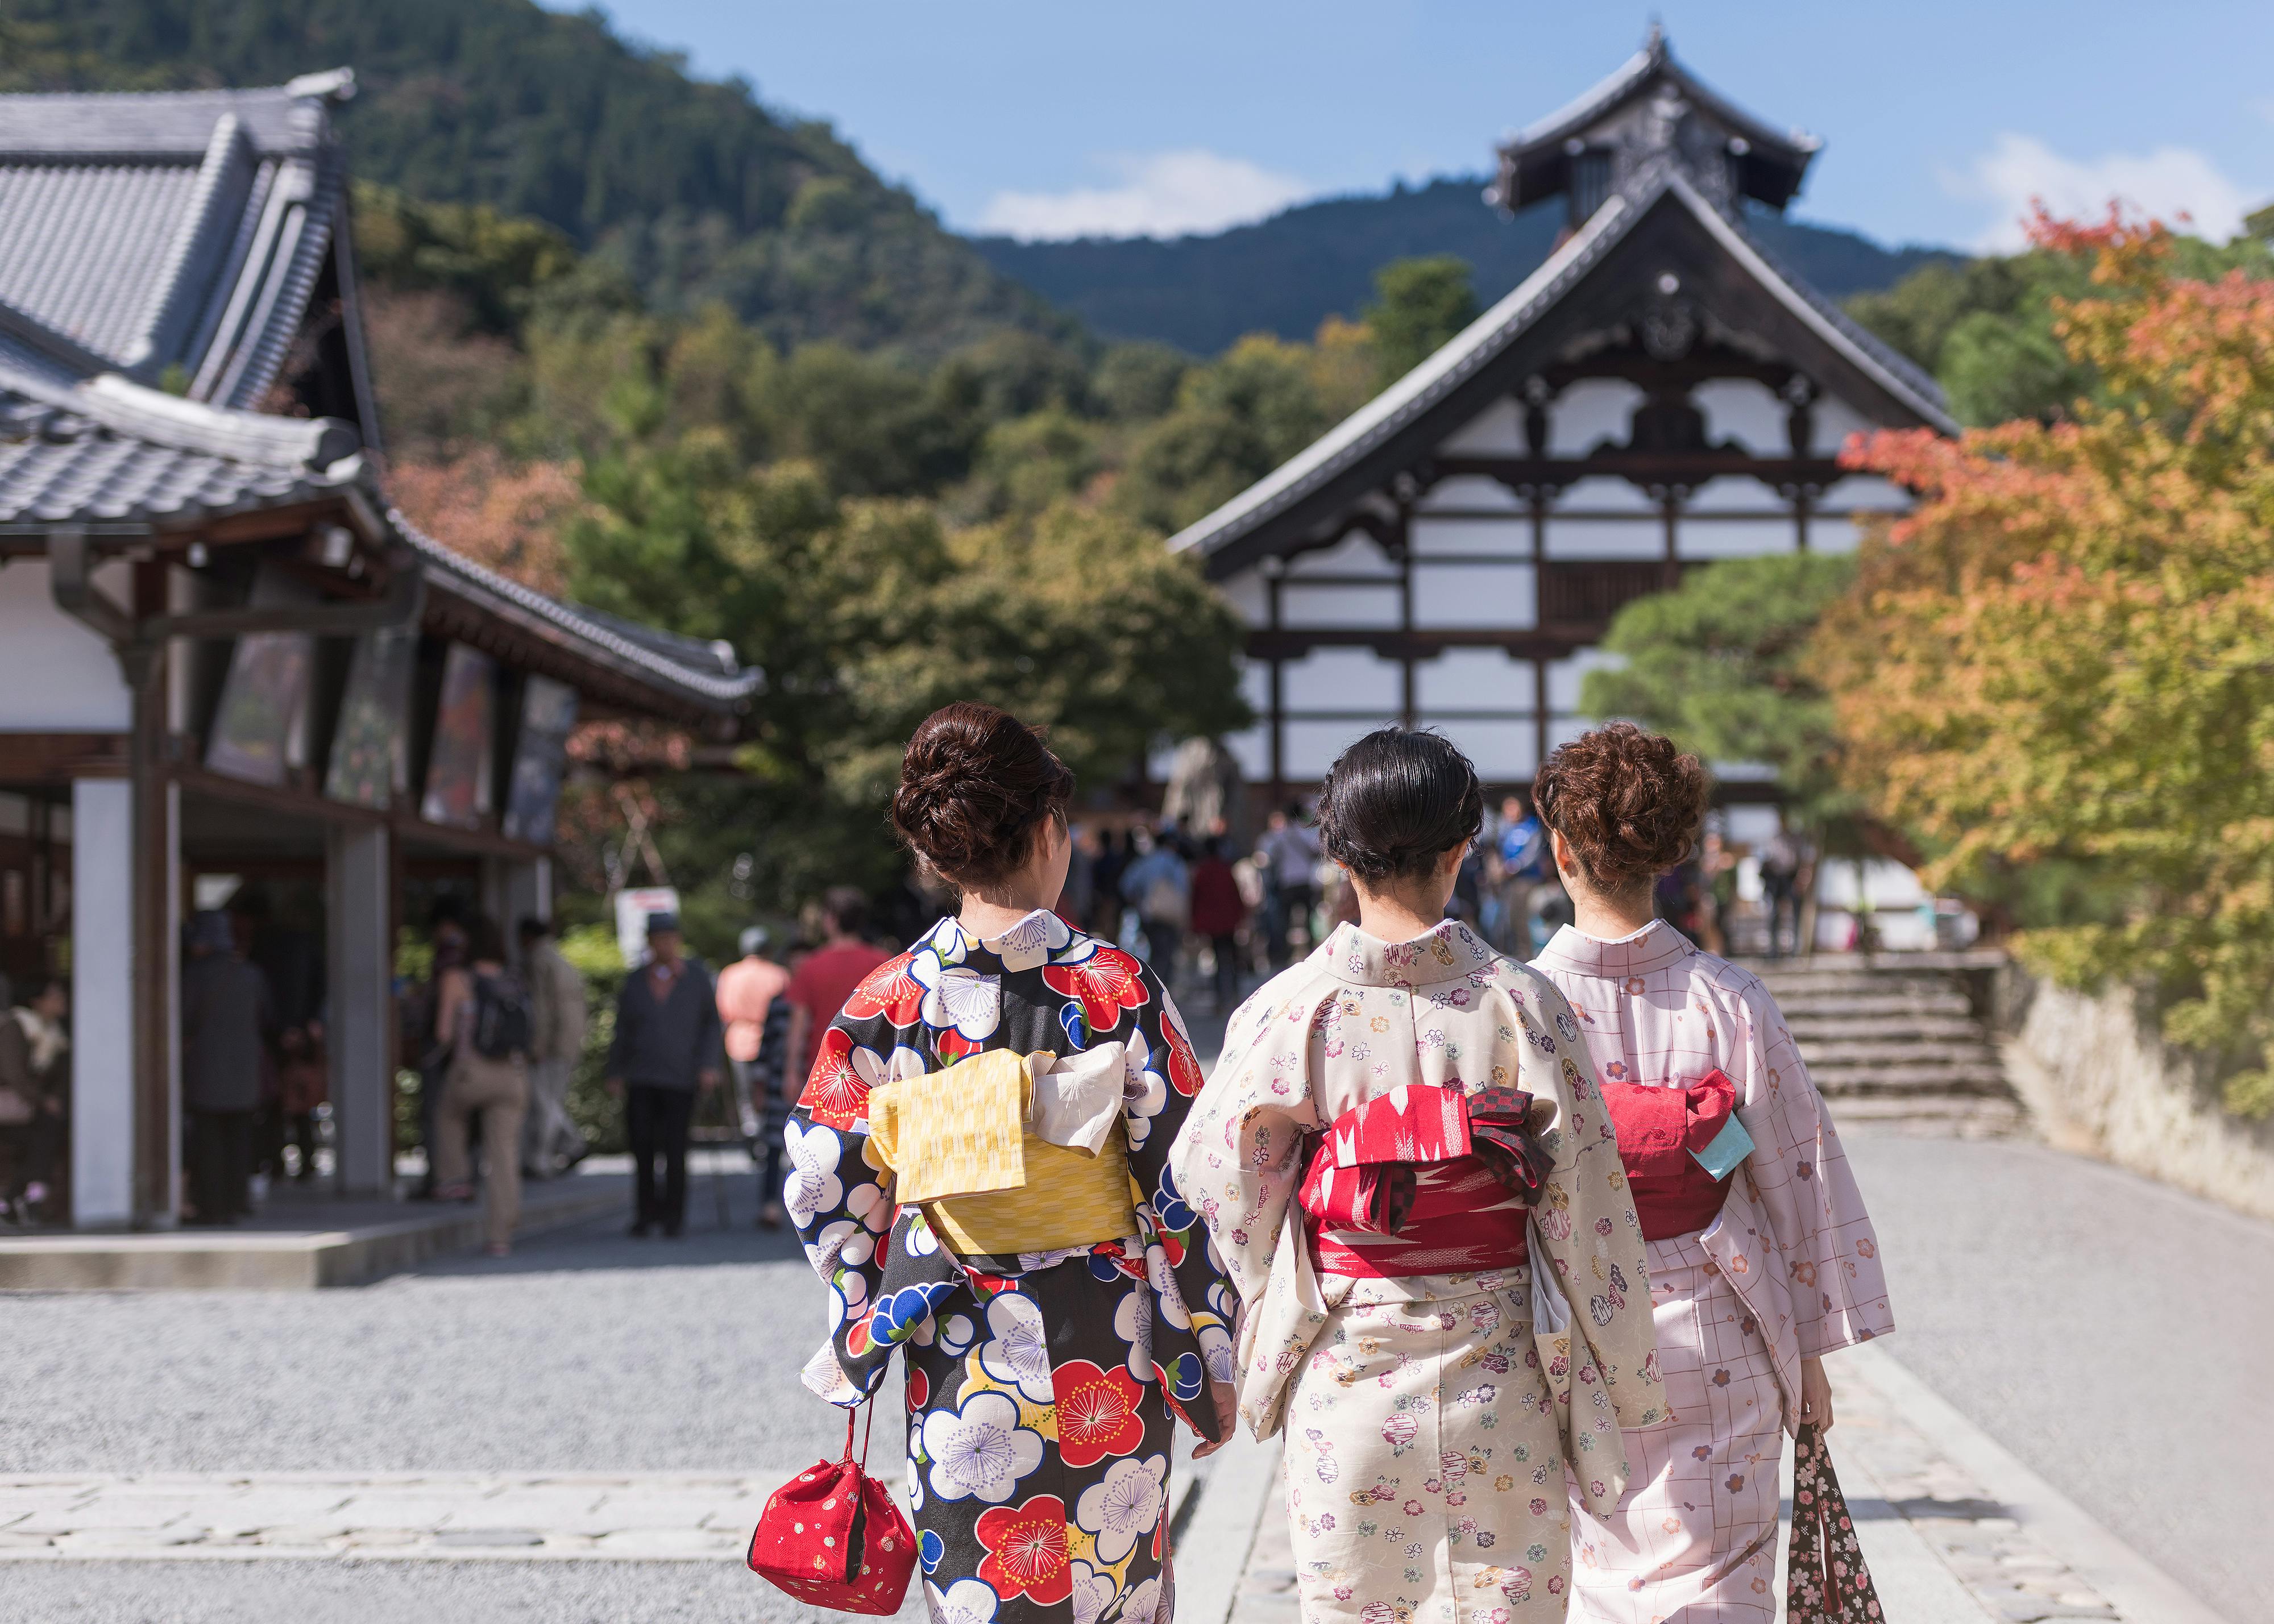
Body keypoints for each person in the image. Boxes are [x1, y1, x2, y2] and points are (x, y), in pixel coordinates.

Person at [1171, 726, 1660, 1624]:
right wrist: (1625, 1371)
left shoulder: (1287, 1011)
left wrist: (1240, 1339)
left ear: (1336, 850)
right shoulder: (1522, 1003)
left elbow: (1221, 1196)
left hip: (1348, 1369)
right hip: (1500, 1367)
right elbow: (1588, 1204)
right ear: (1462, 848)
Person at [788, 701, 1234, 1624]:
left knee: (987, 1591)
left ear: (934, 852)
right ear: (1047, 833)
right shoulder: (1115, 988)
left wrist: (875, 1302)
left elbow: (821, 1181)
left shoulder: (887, 1003)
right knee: (1112, 1589)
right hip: (1105, 1347)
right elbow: (1190, 1179)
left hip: (960, 1346)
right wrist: (1207, 1344)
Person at [1527, 723, 1893, 1619]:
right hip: (1722, 1318)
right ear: (1677, 851)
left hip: (1575, 1322)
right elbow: (1798, 1179)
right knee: (1724, 1576)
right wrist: (1809, 1352)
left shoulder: (1516, 1006)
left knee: (1598, 1571)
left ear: (1559, 849)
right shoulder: (1731, 998)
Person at [605, 913, 721, 1238]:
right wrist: (615, 1071)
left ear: (678, 940)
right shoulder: (635, 981)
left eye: (670, 937)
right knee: (642, 1147)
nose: (665, 944)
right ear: (649, 942)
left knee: (675, 1148)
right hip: (641, 1076)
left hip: (682, 1077)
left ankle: (674, 1216)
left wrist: (708, 1065)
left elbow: (711, 1025)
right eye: (658, 938)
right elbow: (622, 1030)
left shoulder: (696, 977)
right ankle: (645, 1214)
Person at [431, 914, 532, 1258]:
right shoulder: (514, 980)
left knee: (448, 1114)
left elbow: (444, 1033)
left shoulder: (457, 979)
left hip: (471, 1072)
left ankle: (455, 1179)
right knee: (504, 1156)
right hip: (513, 1076)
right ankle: (501, 1236)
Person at [181, 909, 271, 1225]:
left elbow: (184, 1019)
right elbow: (266, 1018)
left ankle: (212, 1207)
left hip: (206, 1068)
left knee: (208, 1141)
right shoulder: (251, 974)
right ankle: (237, 1202)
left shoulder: (195, 975)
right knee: (239, 1141)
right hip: (245, 1071)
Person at [716, 924, 802, 1230]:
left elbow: (724, 1010)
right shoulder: (778, 974)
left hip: (739, 1037)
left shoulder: (729, 974)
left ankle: (752, 1133)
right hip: (772, 1042)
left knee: (746, 1097)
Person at [784, 888, 888, 1081]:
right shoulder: (884, 964)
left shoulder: (810, 967)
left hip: (825, 1070)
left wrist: (791, 1072)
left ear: (832, 919)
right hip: (875, 1068)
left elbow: (798, 1026)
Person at [517, 917, 590, 1179]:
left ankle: (544, 1158)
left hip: (551, 1043)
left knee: (544, 1100)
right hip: (569, 1039)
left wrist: (537, 1044)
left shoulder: (539, 960)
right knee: (549, 1098)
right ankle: (570, 1145)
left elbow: (541, 1007)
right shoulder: (560, 959)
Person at [0, 974, 69, 1226]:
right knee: (46, 1132)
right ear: (37, 1001)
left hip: (27, 1110)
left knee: (48, 1133)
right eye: (55, 995)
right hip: (12, 1108)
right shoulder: (15, 1025)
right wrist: (43, 1100)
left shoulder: (55, 1034)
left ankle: (16, 1199)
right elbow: (14, 1074)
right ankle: (21, 1198)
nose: (62, 999)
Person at [1119, 823, 1190, 990]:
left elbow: (1127, 885)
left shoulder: (1146, 862)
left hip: (1149, 914)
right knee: (1167, 954)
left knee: (1152, 952)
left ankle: (1152, 989)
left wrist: (1139, 900)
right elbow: (1184, 888)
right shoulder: (1176, 863)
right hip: (1171, 916)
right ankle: (1164, 990)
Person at [1256, 801, 1320, 968]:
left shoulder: (1280, 835)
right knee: (1308, 921)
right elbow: (1316, 851)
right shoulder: (1305, 832)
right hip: (1305, 881)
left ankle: (1285, 957)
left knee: (1286, 922)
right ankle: (1310, 954)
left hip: (1287, 882)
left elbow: (1269, 858)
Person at [1188, 834, 1246, 1008]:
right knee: (1232, 959)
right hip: (1228, 921)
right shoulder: (1224, 869)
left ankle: (1221, 999)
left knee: (1219, 960)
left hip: (1212, 924)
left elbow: (1196, 899)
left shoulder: (1202, 872)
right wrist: (1241, 917)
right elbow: (1235, 895)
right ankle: (1234, 995)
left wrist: (1195, 923)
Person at [1757, 819, 1804, 958]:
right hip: (1776, 880)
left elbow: (1803, 860)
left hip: (1791, 878)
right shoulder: (1773, 840)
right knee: (1774, 915)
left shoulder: (1796, 839)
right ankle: (1773, 950)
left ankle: (1796, 950)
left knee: (1796, 914)